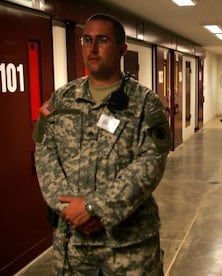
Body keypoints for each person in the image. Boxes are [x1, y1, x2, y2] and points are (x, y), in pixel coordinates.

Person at [33, 13, 171, 275]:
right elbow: (45, 153)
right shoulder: (62, 99)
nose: (92, 48)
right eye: (87, 39)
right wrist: (69, 209)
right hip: (72, 245)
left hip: (128, 247)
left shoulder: (145, 103)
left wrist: (94, 208)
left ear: (122, 48)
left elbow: (150, 165)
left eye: (102, 40)